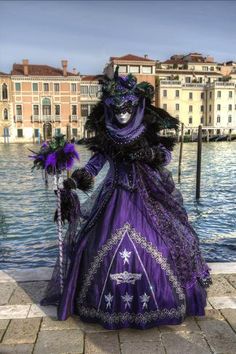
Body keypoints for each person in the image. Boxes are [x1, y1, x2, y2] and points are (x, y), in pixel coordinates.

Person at [41, 68, 212, 330]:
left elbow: (164, 157)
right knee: (94, 246)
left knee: (167, 246)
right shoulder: (107, 136)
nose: (122, 113)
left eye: (127, 107)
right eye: (117, 108)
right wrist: (73, 182)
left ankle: (161, 303)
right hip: (113, 197)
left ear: (136, 106)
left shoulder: (147, 130)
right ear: (109, 108)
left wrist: (148, 154)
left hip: (148, 197)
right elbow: (94, 166)